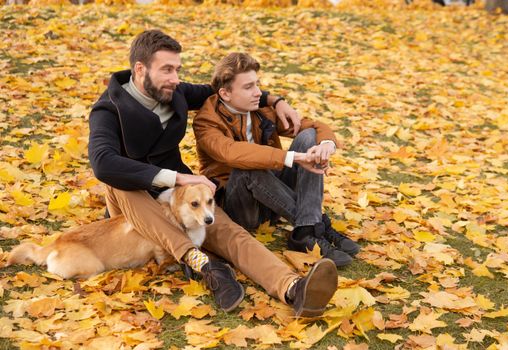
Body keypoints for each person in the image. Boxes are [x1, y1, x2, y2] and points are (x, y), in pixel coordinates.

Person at [88, 29, 338, 317]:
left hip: (181, 197)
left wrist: (276, 100)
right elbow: (103, 163)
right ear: (140, 69)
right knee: (120, 182)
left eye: (178, 69)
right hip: (134, 200)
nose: (175, 78)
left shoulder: (175, 91)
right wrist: (179, 177)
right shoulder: (108, 109)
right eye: (166, 69)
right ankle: (202, 263)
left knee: (230, 232)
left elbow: (224, 88)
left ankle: (294, 289)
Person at [193, 53, 360, 268]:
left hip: (272, 197)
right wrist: (294, 157)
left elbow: (313, 126)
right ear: (225, 93)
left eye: (257, 84)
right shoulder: (206, 121)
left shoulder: (261, 110)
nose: (258, 93)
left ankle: (306, 229)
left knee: (309, 138)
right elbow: (232, 153)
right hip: (242, 207)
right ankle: (314, 224)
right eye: (248, 87)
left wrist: (327, 144)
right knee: (247, 167)